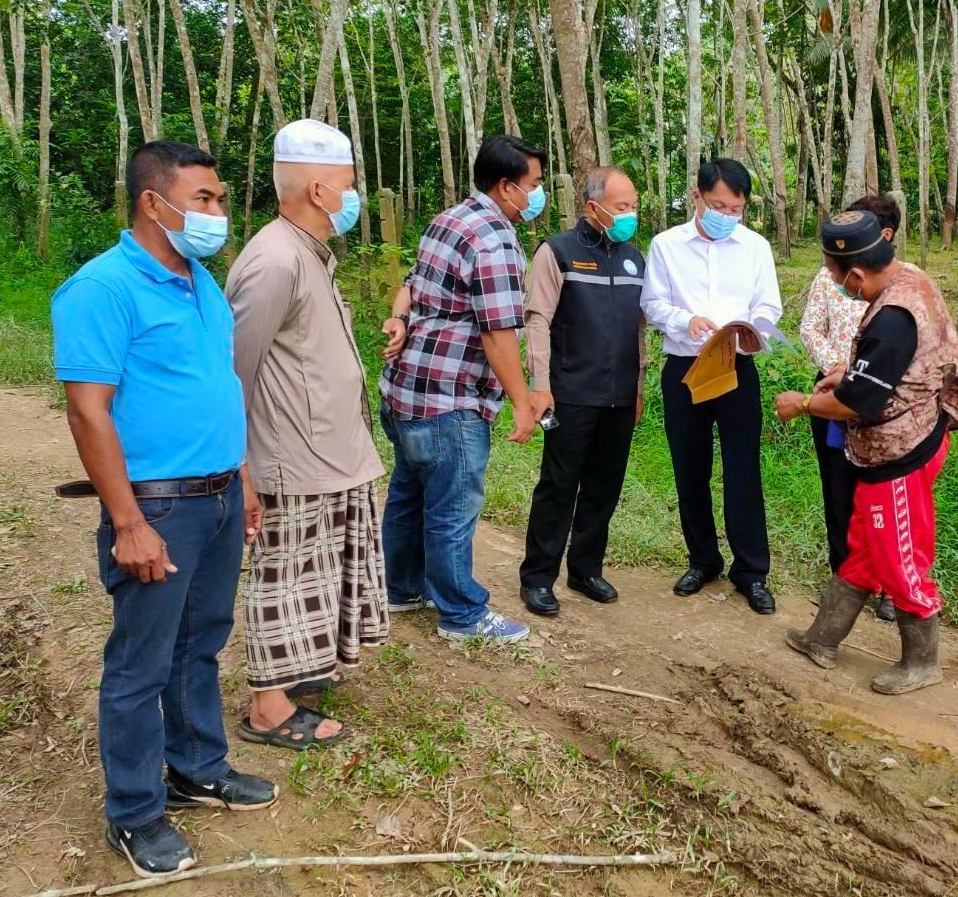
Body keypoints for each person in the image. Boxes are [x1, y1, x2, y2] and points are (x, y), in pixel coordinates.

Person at [51, 141, 277, 879]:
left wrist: (241, 475)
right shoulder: (102, 288)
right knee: (141, 664)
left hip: (218, 495)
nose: (218, 212)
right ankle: (135, 811)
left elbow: (216, 386)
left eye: (220, 199)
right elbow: (88, 412)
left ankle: (197, 769)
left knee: (200, 643)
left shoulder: (200, 282)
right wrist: (128, 522)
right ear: (153, 202)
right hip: (159, 505)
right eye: (203, 199)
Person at [225, 119, 388, 750]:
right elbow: (232, 374)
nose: (354, 196)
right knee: (285, 579)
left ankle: (300, 672)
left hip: (331, 452)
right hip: (292, 457)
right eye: (348, 184)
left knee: (320, 574)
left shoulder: (308, 253)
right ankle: (268, 708)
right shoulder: (274, 260)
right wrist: (241, 470)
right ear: (320, 191)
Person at [775, 209, 958, 694]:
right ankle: (823, 637)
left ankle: (922, 661)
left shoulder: (892, 318)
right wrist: (849, 372)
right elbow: (892, 369)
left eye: (836, 275)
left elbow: (856, 402)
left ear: (857, 274)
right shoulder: (911, 280)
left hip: (900, 452)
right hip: (903, 437)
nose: (836, 284)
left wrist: (802, 403)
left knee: (899, 554)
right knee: (865, 543)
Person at [378, 134, 546, 644]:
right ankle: (461, 615)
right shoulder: (494, 240)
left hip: (407, 390)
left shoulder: (448, 219)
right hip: (450, 399)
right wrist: (521, 402)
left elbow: (412, 284)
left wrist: (398, 317)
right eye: (535, 184)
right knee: (452, 508)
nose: (538, 194)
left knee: (408, 493)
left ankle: (401, 587)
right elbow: (498, 333)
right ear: (506, 186)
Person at [641, 158, 783, 614]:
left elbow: (769, 305)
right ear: (697, 197)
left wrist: (755, 328)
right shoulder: (666, 245)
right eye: (718, 206)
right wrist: (685, 319)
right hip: (686, 368)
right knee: (690, 468)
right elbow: (652, 303)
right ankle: (702, 560)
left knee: (743, 470)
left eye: (736, 209)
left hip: (737, 369)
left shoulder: (755, 247)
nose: (727, 215)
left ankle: (752, 572)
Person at [518, 166, 647, 616]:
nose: (630, 214)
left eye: (634, 206)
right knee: (558, 486)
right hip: (570, 393)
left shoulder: (634, 258)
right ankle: (538, 577)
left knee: (603, 487)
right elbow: (537, 320)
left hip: (620, 395)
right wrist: (539, 385)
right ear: (593, 207)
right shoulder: (557, 252)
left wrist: (638, 387)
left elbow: (639, 330)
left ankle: (585, 568)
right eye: (621, 206)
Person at [799, 194, 902, 623]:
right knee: (838, 491)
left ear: (884, 236)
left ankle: (890, 586)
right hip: (834, 394)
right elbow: (810, 328)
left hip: (882, 406)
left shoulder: (902, 288)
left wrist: (858, 378)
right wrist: (838, 370)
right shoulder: (830, 276)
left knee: (881, 497)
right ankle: (845, 577)